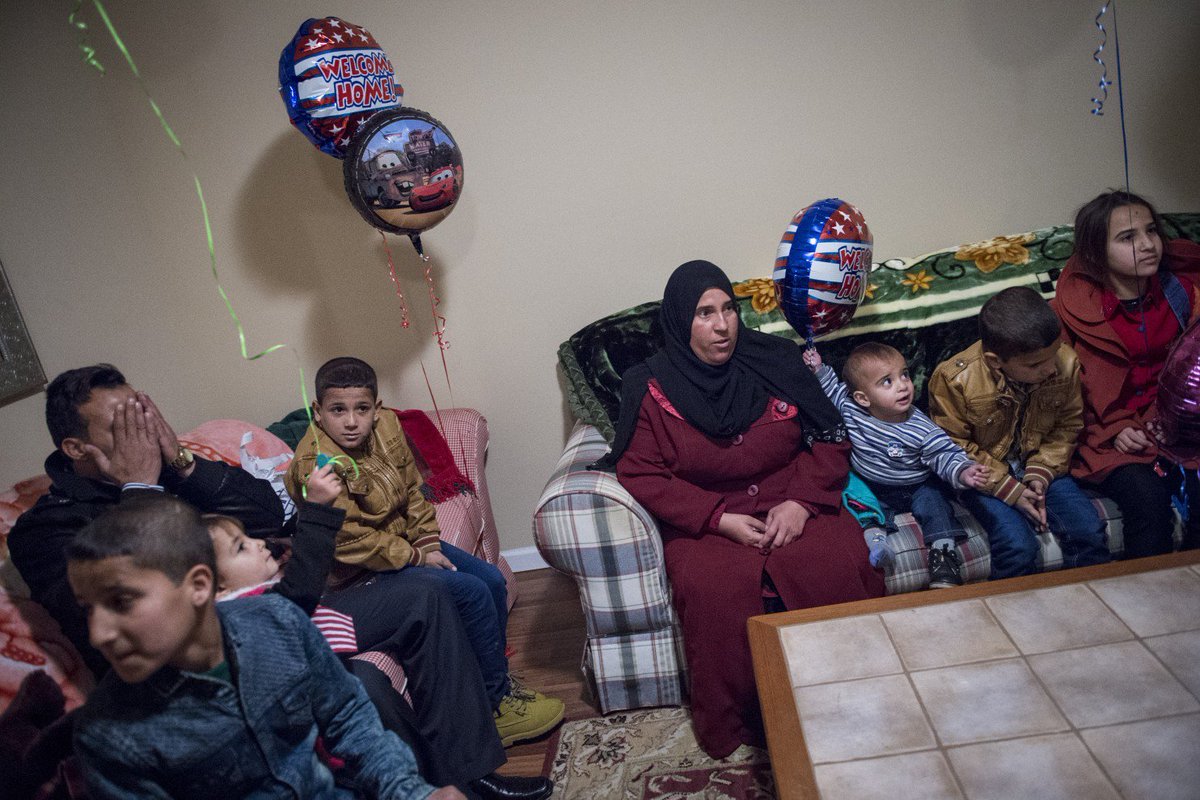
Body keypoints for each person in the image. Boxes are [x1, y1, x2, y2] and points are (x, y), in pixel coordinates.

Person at [598, 260, 885, 759]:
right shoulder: (649, 385)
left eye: (728, 309)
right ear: (680, 321)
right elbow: (641, 472)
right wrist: (718, 519)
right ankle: (744, 724)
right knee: (715, 590)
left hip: (793, 496)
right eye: (704, 313)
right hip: (710, 518)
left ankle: (852, 693)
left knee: (838, 562)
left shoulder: (776, 360)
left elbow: (830, 437)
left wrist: (801, 503)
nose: (722, 325)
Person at [66, 493, 462, 800]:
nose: (98, 634)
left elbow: (347, 716)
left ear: (200, 586)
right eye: (87, 609)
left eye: (121, 602)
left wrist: (410, 792)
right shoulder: (108, 736)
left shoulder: (279, 622)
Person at [207, 472, 554, 800]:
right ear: (208, 588)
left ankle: (470, 771)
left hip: (312, 615)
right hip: (303, 632)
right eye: (241, 548)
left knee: (426, 595)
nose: (258, 544)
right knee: (365, 682)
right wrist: (316, 513)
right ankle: (428, 784)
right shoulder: (246, 622)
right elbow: (294, 598)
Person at [284, 357, 564, 748]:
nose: (351, 421)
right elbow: (349, 543)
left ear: (376, 408)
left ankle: (492, 686)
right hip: (358, 571)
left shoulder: (388, 426)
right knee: (470, 592)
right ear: (318, 411)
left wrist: (427, 541)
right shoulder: (316, 464)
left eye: (361, 409)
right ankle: (494, 707)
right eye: (337, 410)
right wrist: (416, 558)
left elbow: (413, 493)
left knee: (490, 579)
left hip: (404, 543)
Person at [8, 364, 285, 678]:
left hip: (276, 614)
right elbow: (125, 621)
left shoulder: (170, 468)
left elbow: (270, 518)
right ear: (76, 448)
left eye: (142, 417)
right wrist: (140, 488)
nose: (143, 434)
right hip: (200, 673)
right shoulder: (42, 531)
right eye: (123, 426)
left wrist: (183, 463)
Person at [1052, 191, 1200, 556]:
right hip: (1103, 435)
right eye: (1128, 237)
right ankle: (1147, 588)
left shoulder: (1182, 293)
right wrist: (1115, 429)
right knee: (1147, 500)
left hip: (1175, 425)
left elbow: (1191, 372)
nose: (1148, 245)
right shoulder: (1071, 310)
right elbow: (1060, 393)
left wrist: (1170, 419)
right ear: (1095, 253)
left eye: (1151, 231)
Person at [929, 287, 1112, 578]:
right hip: (983, 477)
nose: (1050, 369)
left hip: (1042, 465)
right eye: (1035, 364)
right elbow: (952, 445)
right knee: (1017, 546)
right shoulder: (955, 379)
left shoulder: (1065, 362)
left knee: (1088, 531)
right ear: (995, 361)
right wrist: (1009, 490)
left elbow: (1068, 425)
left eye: (1054, 354)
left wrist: (1041, 472)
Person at [803, 342, 988, 588]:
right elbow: (831, 389)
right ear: (862, 398)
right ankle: (877, 544)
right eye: (887, 381)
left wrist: (963, 470)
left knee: (936, 505)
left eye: (905, 375)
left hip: (916, 485)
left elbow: (944, 453)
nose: (903, 386)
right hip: (873, 484)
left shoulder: (921, 428)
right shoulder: (850, 408)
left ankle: (944, 557)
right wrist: (818, 369)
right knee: (857, 500)